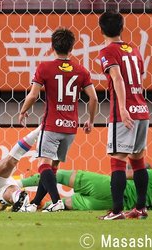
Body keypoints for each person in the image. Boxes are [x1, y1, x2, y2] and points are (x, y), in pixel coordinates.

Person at [18, 28, 98, 212]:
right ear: (72, 48)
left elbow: (33, 95)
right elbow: (93, 98)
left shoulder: (44, 67)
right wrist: (91, 120)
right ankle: (34, 203)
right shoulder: (81, 70)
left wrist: (23, 111)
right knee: (52, 167)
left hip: (52, 124)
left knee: (43, 165)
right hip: (70, 128)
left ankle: (55, 202)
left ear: (52, 46)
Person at [98, 11, 150, 220]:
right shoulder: (135, 50)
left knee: (118, 159)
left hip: (125, 112)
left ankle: (117, 211)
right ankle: (140, 208)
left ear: (101, 29)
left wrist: (121, 107)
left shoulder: (107, 51)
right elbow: (140, 79)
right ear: (122, 28)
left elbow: (118, 78)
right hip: (141, 109)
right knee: (138, 159)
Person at [18, 158, 152, 215]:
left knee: (57, 174)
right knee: (60, 205)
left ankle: (17, 183)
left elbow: (122, 175)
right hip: (109, 205)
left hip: (106, 187)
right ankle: (34, 205)